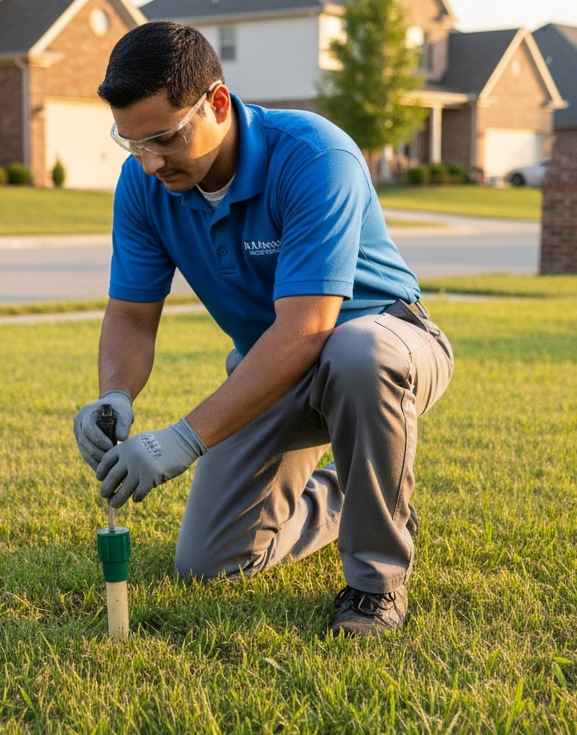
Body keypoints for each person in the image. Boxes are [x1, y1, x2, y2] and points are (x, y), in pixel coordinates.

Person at [73, 21, 453, 637]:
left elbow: (309, 328)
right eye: (131, 143)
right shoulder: (144, 186)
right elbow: (131, 315)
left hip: (387, 342)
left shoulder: (312, 155)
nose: (149, 162)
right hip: (275, 368)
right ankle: (353, 496)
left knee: (356, 354)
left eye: (165, 138)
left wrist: (184, 440)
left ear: (217, 103)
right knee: (208, 564)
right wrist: (115, 392)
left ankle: (375, 585)